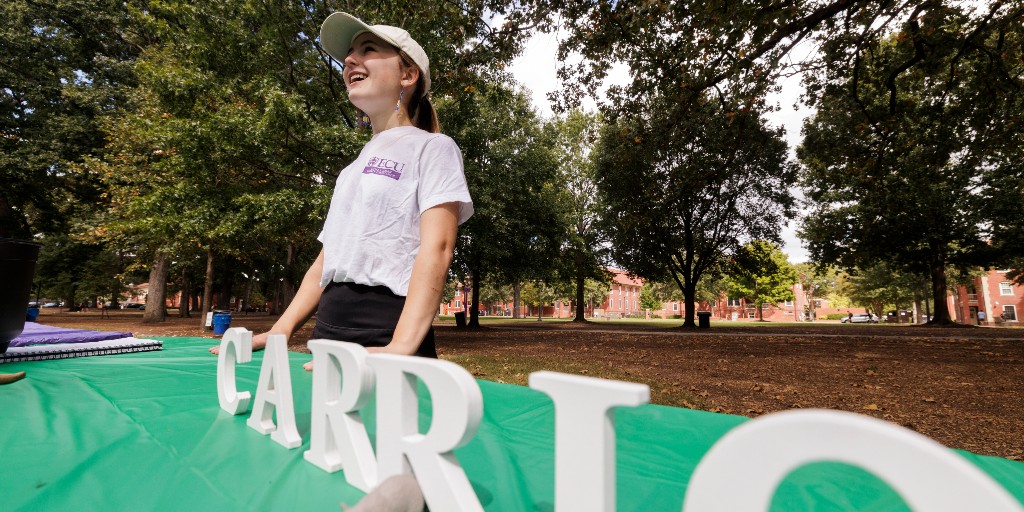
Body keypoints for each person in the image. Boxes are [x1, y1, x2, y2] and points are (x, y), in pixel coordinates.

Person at [211, 12, 472, 371]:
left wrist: (402, 345)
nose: (350, 60)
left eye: (368, 49)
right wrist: (282, 329)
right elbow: (326, 260)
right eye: (349, 54)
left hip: (386, 329)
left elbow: (438, 247)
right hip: (328, 329)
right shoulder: (351, 170)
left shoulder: (434, 148)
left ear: (408, 75)